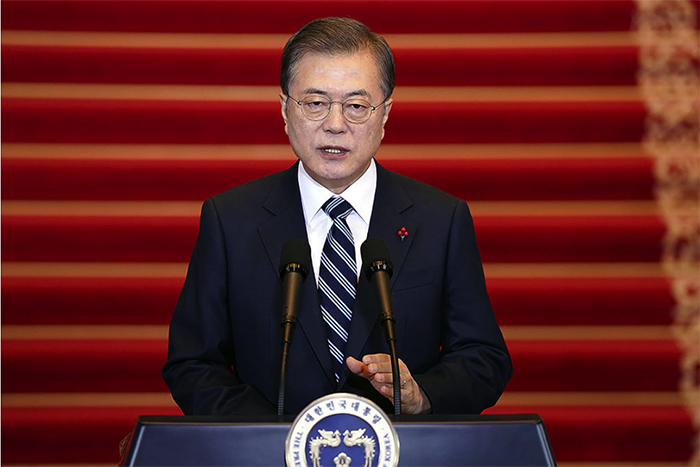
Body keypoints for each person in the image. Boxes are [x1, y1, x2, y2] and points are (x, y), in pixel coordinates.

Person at [162, 17, 512, 416]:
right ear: (285, 110)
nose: (334, 124)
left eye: (356, 106)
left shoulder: (440, 220)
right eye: (315, 103)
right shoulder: (230, 220)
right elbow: (192, 365)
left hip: (400, 445)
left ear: (385, 114)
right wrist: (273, 436)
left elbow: (484, 358)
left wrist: (422, 395)